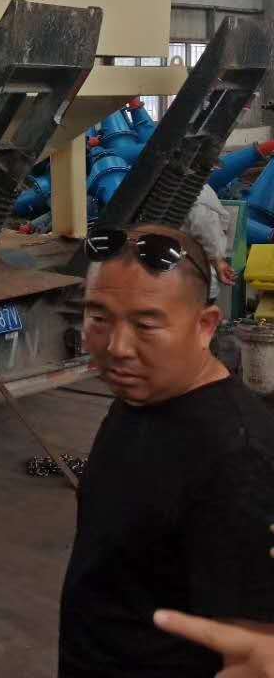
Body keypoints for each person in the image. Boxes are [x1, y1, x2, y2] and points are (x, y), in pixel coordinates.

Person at [58, 223, 274, 678]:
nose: (117, 348)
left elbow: (252, 652)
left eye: (146, 324)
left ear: (205, 326)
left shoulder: (239, 459)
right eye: (99, 318)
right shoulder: (141, 394)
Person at [183, 182, 237, 299]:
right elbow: (203, 224)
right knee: (208, 287)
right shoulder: (194, 188)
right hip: (191, 273)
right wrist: (217, 260)